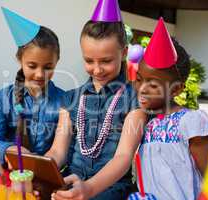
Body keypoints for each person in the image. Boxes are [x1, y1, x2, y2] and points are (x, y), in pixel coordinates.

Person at [45, 0, 146, 199]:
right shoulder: (72, 98)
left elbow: (124, 157)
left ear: (124, 53)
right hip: (69, 181)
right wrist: (40, 168)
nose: (97, 70)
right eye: (89, 61)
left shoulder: (135, 100)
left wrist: (89, 188)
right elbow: (58, 151)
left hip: (111, 188)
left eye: (106, 61)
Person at [134, 18, 208, 200]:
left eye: (153, 85)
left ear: (177, 89)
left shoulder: (191, 122)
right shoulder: (146, 121)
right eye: (139, 79)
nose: (142, 89)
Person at [0, 7, 64, 166]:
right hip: (12, 177)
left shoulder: (64, 101)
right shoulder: (2, 99)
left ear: (57, 61)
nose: (39, 74)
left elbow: (67, 147)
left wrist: (45, 166)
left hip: (48, 176)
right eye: (32, 66)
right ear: (19, 60)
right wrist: (10, 150)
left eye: (48, 67)